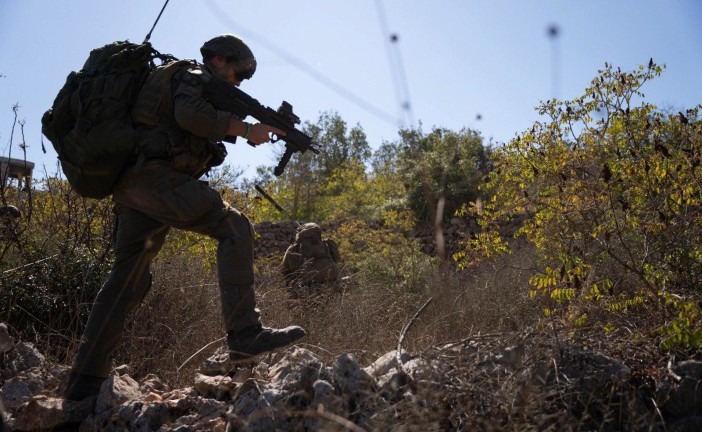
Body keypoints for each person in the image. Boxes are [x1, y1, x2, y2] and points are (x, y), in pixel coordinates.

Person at [64, 34, 306, 400]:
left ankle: (84, 382)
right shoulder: (192, 74)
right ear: (220, 59)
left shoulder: (177, 78)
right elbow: (188, 114)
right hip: (156, 180)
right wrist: (244, 129)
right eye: (237, 73)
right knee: (235, 226)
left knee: (126, 280)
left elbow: (184, 122)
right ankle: (244, 333)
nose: (237, 82)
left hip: (135, 185)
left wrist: (244, 130)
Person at [281, 222, 342, 295]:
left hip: (306, 292)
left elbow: (285, 271)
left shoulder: (294, 249)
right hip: (331, 288)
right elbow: (337, 260)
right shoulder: (328, 244)